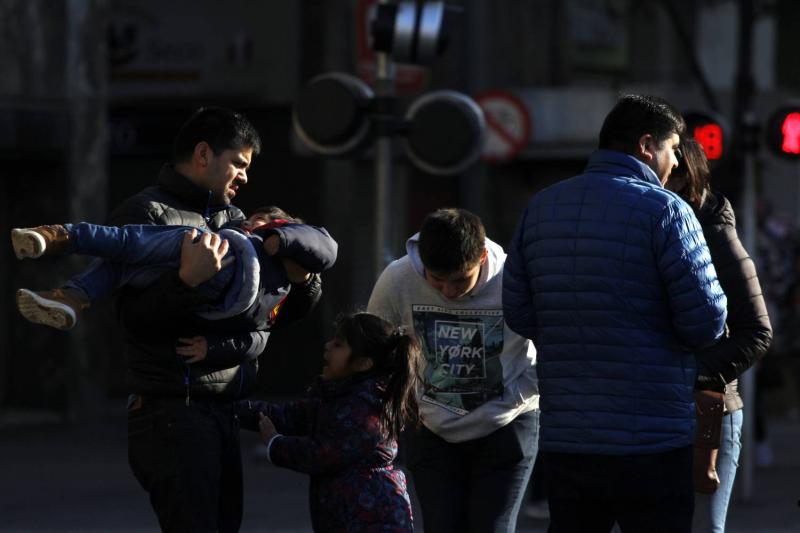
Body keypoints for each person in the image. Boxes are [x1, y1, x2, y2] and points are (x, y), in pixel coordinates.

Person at [502, 94, 728, 533]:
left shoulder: (541, 207)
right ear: (647, 145)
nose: (676, 163)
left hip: (569, 440)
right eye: (673, 148)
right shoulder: (667, 211)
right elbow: (705, 322)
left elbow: (519, 313)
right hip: (653, 438)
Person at [105, 106, 319, 532]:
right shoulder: (144, 215)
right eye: (238, 163)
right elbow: (133, 320)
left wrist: (304, 278)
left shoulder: (233, 220)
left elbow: (273, 315)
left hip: (222, 410)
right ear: (203, 154)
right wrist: (185, 281)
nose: (245, 177)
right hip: (171, 413)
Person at [367, 207, 539, 533]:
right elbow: (373, 345)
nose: (449, 292)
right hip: (431, 426)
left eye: (461, 280)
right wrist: (402, 398)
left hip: (507, 423)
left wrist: (519, 393)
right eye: (436, 280)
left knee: (493, 527)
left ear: (483, 257)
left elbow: (555, 342)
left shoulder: (517, 278)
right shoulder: (398, 278)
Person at [666, 138, 772, 532]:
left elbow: (757, 331)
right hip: (645, 407)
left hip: (705, 407)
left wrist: (686, 374)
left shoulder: (713, 230)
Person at [12, 206, 337, 332]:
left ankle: (60, 235)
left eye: (260, 219)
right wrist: (209, 346)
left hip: (224, 258)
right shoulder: (273, 306)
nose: (251, 222)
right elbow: (251, 338)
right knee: (124, 267)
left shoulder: (277, 242)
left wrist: (278, 237)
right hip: (215, 299)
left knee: (129, 242)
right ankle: (71, 297)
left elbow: (326, 245)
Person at [237, 312, 421, 532]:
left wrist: (275, 444)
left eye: (338, 345)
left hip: (372, 520)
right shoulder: (336, 396)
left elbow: (322, 454)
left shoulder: (365, 409)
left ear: (362, 363)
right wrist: (232, 410)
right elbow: (287, 415)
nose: (327, 346)